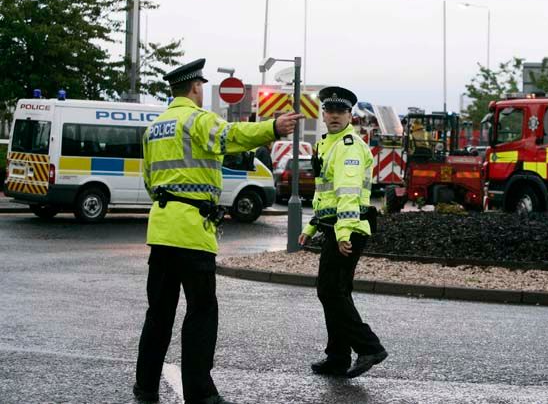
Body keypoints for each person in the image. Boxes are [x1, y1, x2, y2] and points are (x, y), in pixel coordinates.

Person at [133, 58, 302, 404]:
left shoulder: (155, 128)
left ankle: (146, 386)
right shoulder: (197, 119)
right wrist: (272, 128)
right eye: (201, 87)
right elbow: (231, 136)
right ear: (195, 87)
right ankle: (200, 392)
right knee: (201, 311)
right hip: (193, 231)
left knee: (159, 313)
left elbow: (150, 181)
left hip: (162, 229)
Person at [298, 86, 387, 379]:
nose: (334, 116)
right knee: (336, 292)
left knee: (330, 291)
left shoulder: (348, 146)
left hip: (347, 230)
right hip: (336, 228)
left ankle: (369, 347)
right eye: (330, 110)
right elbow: (327, 195)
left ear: (350, 115)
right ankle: (337, 357)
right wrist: (311, 227)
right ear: (323, 113)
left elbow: (347, 195)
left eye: (341, 111)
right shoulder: (328, 143)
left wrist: (344, 233)